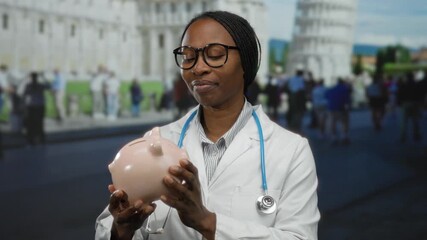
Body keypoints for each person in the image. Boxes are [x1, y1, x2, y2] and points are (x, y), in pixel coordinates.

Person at [95, 11, 320, 240]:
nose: (198, 68)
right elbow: (109, 231)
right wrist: (121, 230)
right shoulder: (159, 140)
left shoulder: (291, 151)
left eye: (214, 55)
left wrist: (207, 222)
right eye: (188, 56)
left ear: (246, 62)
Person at [23, 72, 50, 146]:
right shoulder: (39, 85)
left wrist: (25, 78)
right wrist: (44, 77)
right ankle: (39, 138)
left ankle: (32, 138)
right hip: (38, 106)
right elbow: (49, 86)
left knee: (32, 123)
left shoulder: (29, 85)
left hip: (32, 106)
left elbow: (23, 93)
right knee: (39, 122)